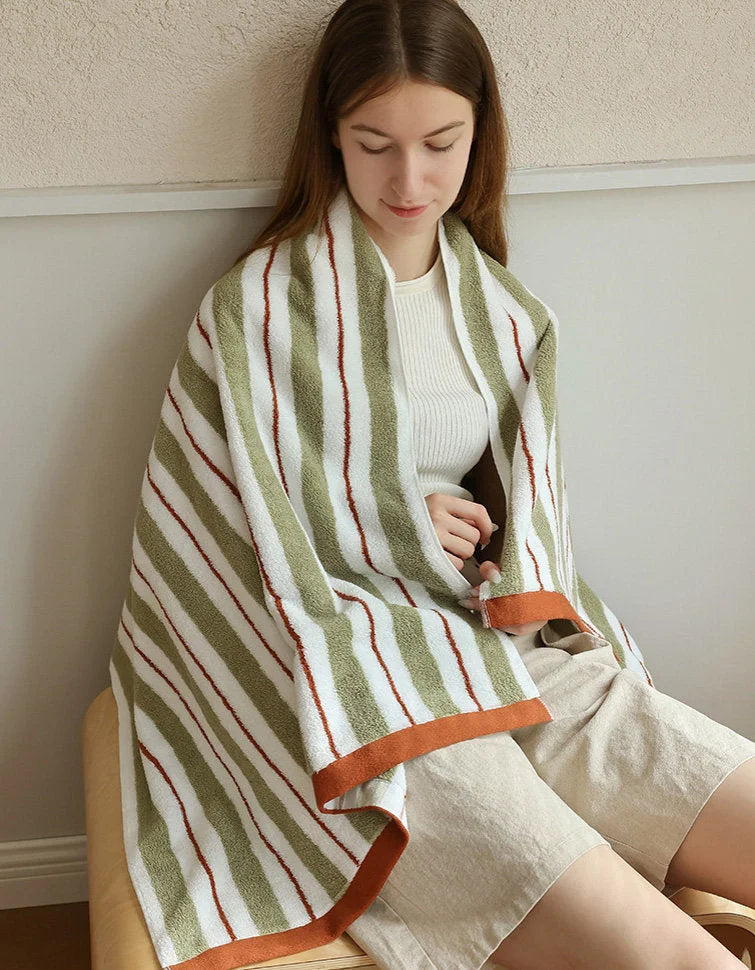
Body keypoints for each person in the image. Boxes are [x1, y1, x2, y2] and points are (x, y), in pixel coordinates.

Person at [233, 1, 755, 968]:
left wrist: (480, 546)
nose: (408, 179)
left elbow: (530, 501)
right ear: (328, 137)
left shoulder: (505, 313)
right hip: (361, 659)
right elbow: (229, 510)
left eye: (441, 143)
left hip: (490, 629)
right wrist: (384, 516)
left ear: (481, 133)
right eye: (372, 143)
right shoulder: (260, 304)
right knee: (683, 956)